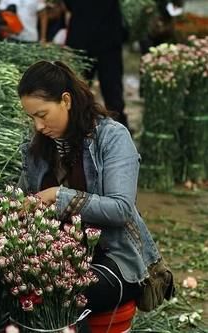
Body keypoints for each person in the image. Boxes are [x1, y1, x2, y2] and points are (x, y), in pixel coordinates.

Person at [16, 61, 172, 330]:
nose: (39, 126)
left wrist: (59, 196)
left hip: (113, 256)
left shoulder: (111, 137)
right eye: (32, 118)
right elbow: (22, 199)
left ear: (66, 100)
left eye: (43, 114)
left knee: (65, 292)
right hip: (56, 255)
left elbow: (120, 209)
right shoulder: (37, 149)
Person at [63, 0, 128, 128]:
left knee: (79, 89)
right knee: (110, 90)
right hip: (106, 36)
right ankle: (118, 129)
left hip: (86, 36)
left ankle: (76, 128)